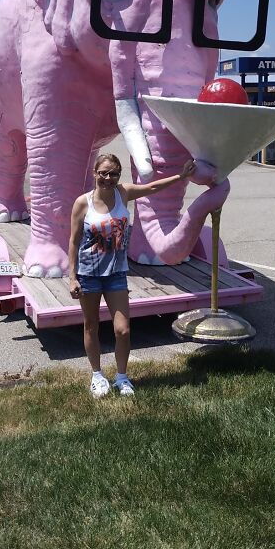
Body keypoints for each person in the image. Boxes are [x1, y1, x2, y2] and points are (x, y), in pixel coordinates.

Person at [68, 152, 196, 398]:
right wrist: (72, 276)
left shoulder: (123, 193)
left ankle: (122, 377)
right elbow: (73, 241)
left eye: (113, 174)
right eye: (103, 173)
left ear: (119, 175)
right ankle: (97, 376)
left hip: (116, 273)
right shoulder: (82, 203)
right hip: (89, 274)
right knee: (91, 326)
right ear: (95, 173)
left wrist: (181, 176)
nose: (108, 178)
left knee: (123, 330)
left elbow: (152, 187)